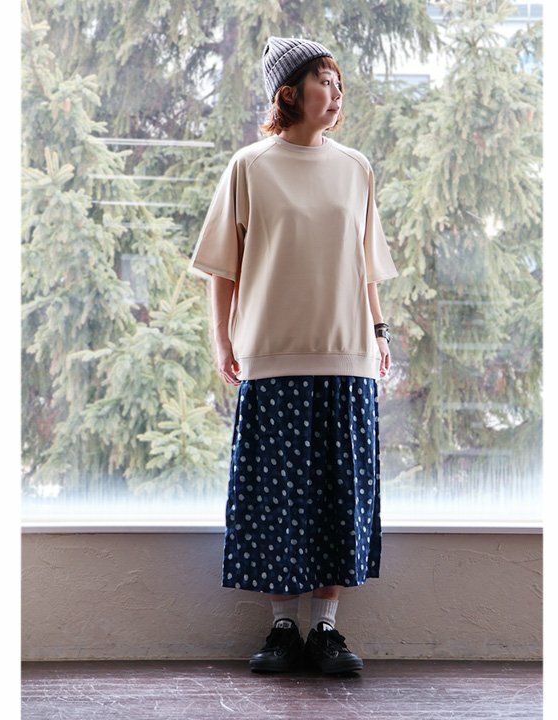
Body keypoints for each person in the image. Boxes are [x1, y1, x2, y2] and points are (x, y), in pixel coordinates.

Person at [188, 35, 399, 675]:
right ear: (289, 93)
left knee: (339, 497)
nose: (335, 94)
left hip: (346, 355)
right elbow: (222, 268)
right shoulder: (249, 167)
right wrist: (222, 340)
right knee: (274, 500)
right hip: (271, 357)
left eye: (338, 83)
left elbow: (366, 267)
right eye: (323, 81)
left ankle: (326, 630)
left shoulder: (356, 167)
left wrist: (380, 332)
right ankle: (283, 628)